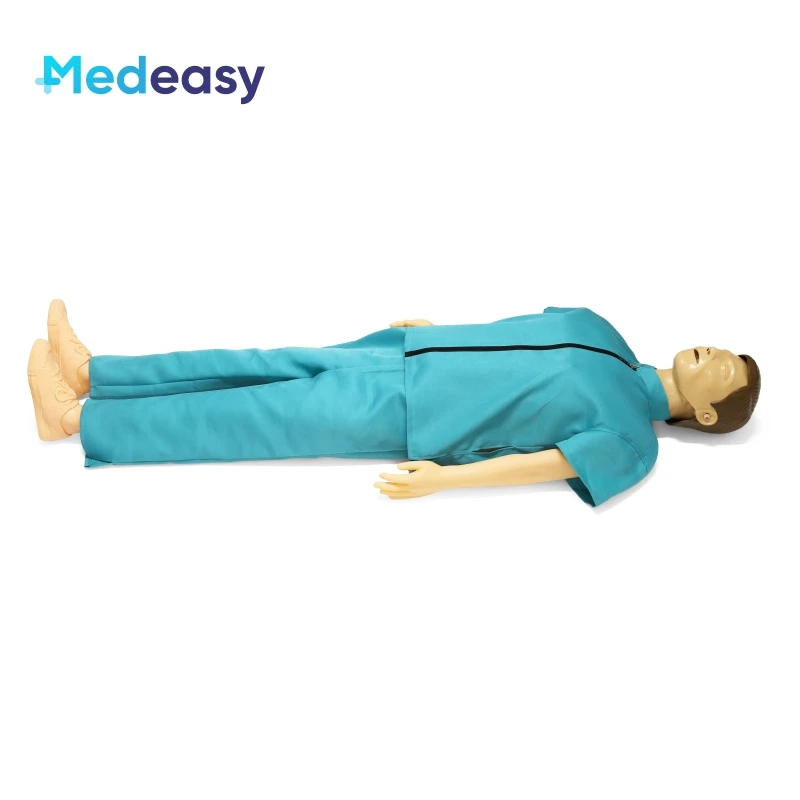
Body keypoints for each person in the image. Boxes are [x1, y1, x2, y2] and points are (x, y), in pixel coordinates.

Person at [28, 300, 760, 506]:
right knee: (254, 361)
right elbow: (512, 332)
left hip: (415, 416)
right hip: (405, 352)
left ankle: (74, 420)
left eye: (725, 372)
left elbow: (547, 464)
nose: (715, 354)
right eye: (723, 350)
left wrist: (446, 478)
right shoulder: (601, 328)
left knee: (253, 417)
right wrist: (438, 329)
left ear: (704, 415)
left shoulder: (633, 442)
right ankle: (97, 373)